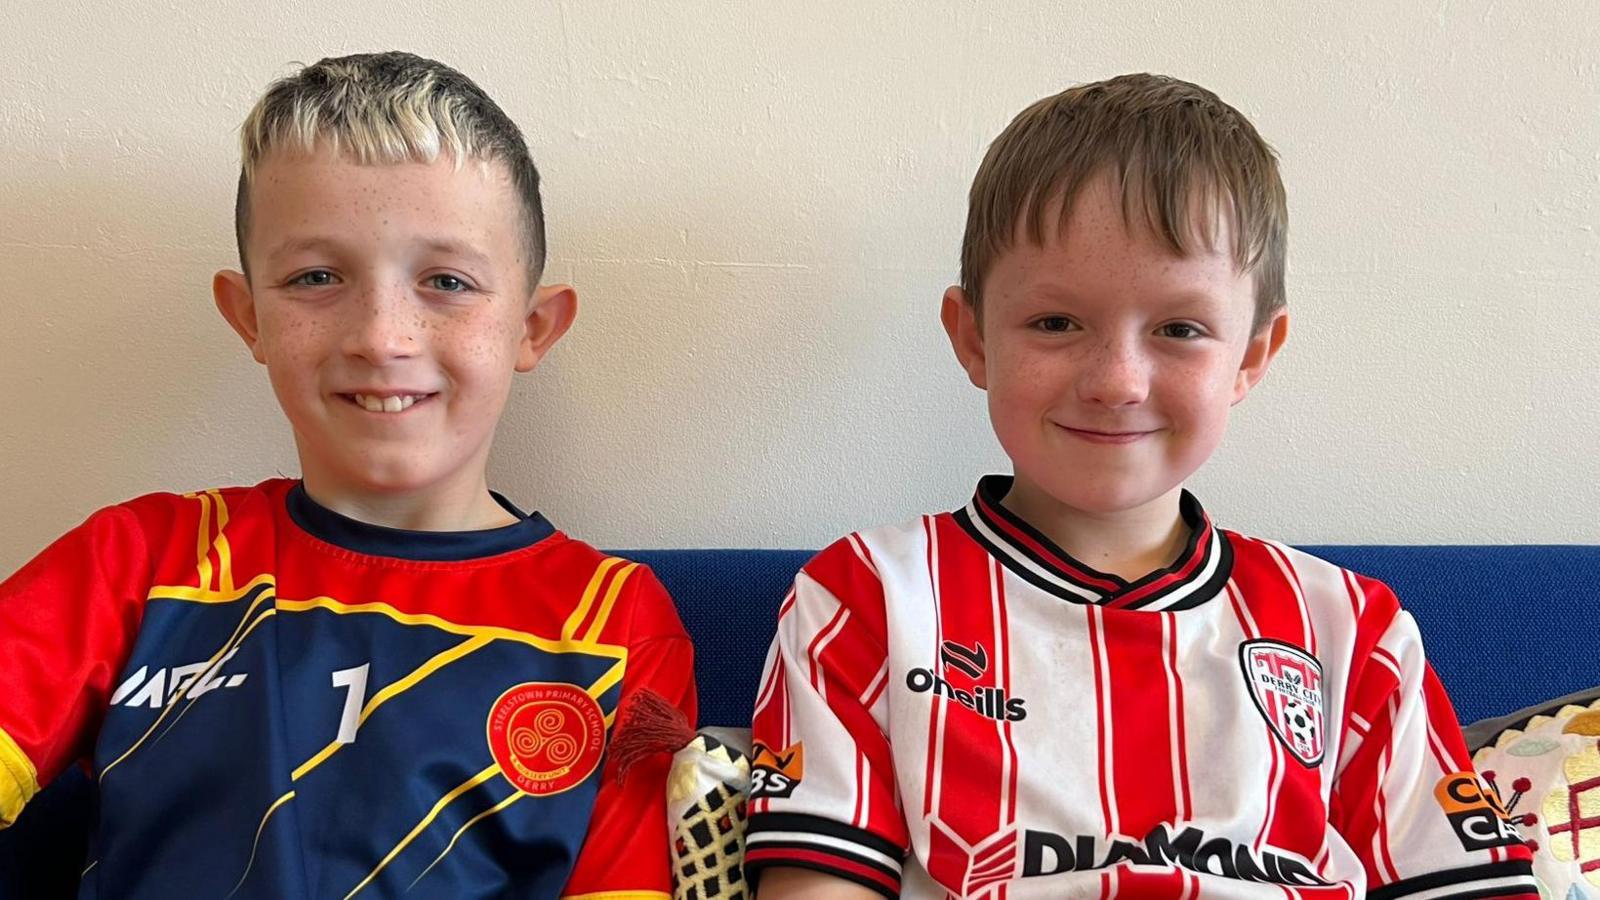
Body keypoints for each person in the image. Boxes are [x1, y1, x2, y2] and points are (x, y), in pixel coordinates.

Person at [746, 74, 1534, 899]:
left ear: (1253, 356)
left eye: (1179, 329)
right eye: (1056, 323)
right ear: (973, 338)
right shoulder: (865, 599)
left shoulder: (1351, 630)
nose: (1118, 382)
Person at [0, 51, 695, 899]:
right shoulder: (141, 561)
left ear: (533, 328)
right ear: (248, 315)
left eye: (446, 281)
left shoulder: (616, 624)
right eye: (317, 277)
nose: (382, 335)